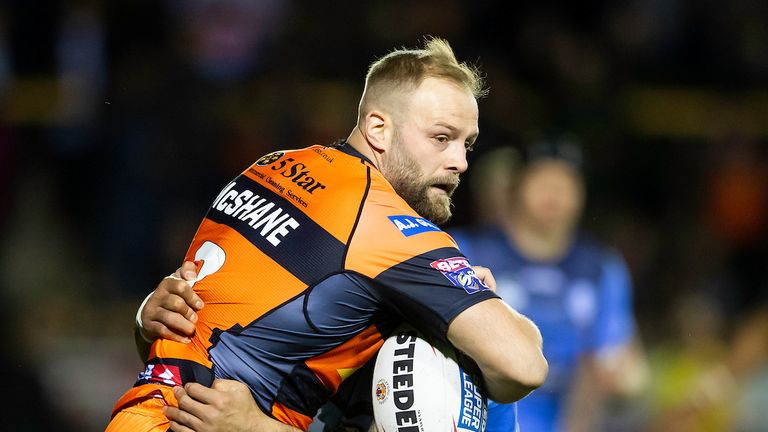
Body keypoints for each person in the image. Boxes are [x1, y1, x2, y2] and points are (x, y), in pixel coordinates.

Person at [106, 37, 548, 432]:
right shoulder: (392, 227)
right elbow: (524, 367)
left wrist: (144, 319)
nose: (460, 162)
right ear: (379, 128)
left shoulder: (267, 168)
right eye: (441, 138)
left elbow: (177, 332)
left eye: (465, 144)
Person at [449, 138, 648, 432]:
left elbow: (614, 364)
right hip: (479, 415)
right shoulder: (466, 250)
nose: (554, 194)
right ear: (516, 187)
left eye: (566, 183)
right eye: (543, 180)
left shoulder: (600, 267)